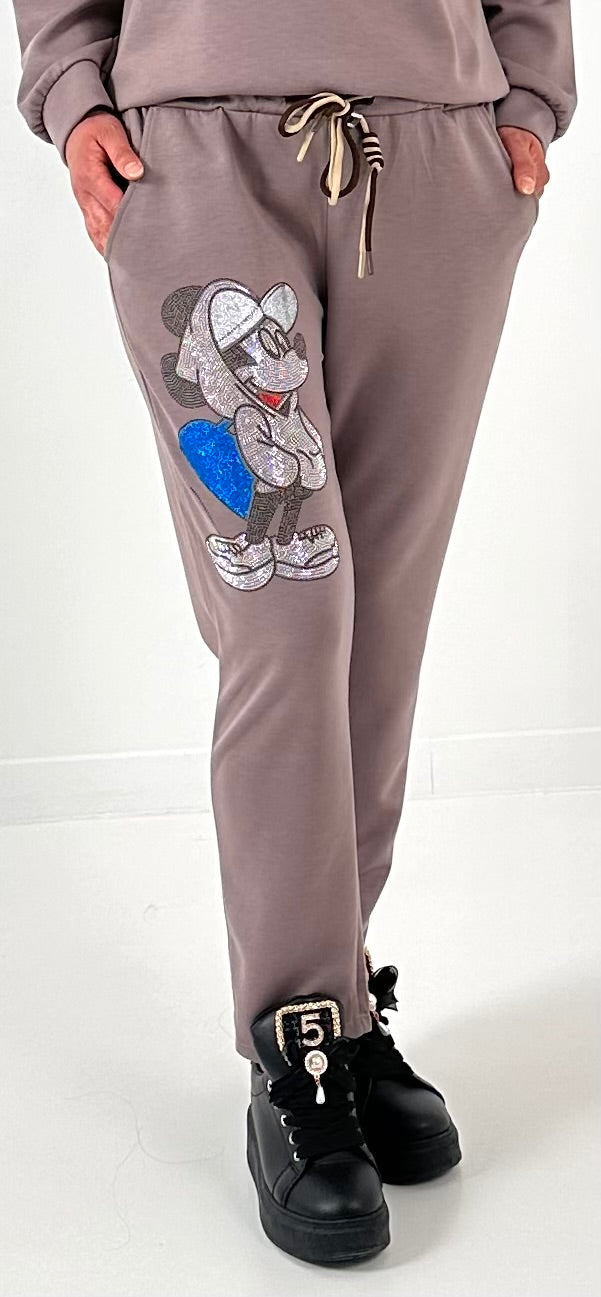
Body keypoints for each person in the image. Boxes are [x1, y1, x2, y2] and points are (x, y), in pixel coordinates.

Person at [11, 0, 576, 1266]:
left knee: (383, 616)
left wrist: (527, 103)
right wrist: (73, 92)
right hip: (193, 159)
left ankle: (343, 1012)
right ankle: (297, 1040)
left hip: (437, 153)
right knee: (287, 609)